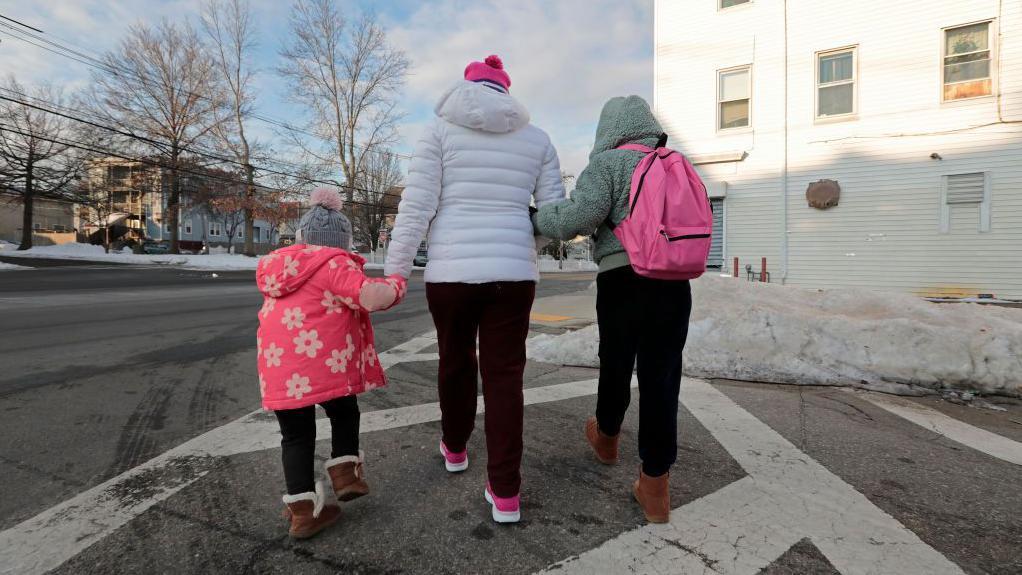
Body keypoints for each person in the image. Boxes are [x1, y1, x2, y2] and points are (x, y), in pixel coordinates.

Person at [384, 55, 565, 524]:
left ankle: (456, 447)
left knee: (455, 360)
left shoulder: (438, 132)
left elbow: (417, 206)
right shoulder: (538, 140)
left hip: (451, 275)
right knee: (505, 379)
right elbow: (552, 216)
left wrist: (396, 271)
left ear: (467, 86)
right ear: (506, 89)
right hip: (512, 277)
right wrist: (524, 242)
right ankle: (505, 492)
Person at [532, 96, 692, 524]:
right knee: (662, 379)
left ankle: (606, 438)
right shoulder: (674, 162)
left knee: (617, 363)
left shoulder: (609, 164)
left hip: (626, 279)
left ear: (608, 130)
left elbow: (575, 219)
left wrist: (537, 218)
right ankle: (655, 486)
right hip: (676, 285)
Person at [257, 188, 407, 539]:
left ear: (301, 238)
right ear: (341, 242)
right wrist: (397, 285)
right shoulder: (333, 263)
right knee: (343, 411)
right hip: (325, 363)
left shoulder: (277, 268)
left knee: (294, 437)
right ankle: (345, 472)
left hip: (279, 368)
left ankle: (303, 513)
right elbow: (370, 296)